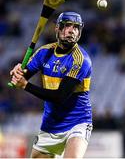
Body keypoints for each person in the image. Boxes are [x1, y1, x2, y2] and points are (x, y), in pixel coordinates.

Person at [10, 11, 93, 158]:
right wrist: (17, 73)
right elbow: (21, 78)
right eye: (67, 26)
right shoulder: (44, 52)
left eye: (76, 27)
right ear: (58, 29)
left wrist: (26, 85)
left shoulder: (80, 60)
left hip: (77, 122)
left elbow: (60, 97)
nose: (71, 30)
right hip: (51, 125)